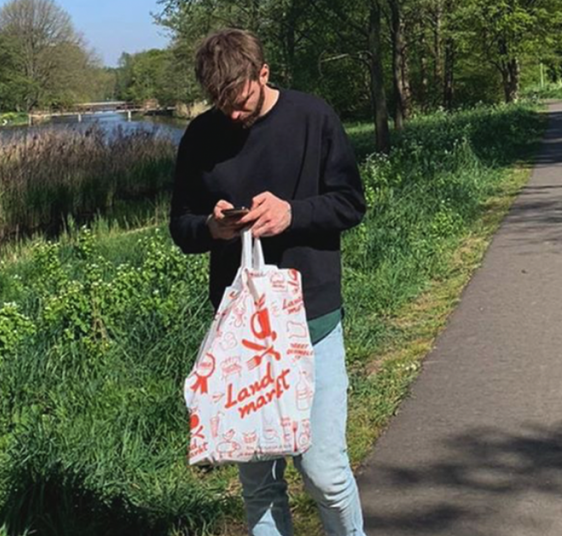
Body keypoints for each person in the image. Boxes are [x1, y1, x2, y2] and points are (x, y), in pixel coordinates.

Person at [168, 28, 367, 536]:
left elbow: (350, 203)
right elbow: (180, 226)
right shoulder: (200, 136)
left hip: (313, 319)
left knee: (325, 476)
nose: (233, 115)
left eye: (241, 102)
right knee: (259, 488)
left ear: (264, 73)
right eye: (221, 105)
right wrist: (210, 227)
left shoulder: (313, 117)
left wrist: (292, 214)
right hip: (242, 336)